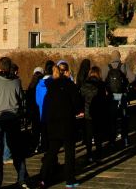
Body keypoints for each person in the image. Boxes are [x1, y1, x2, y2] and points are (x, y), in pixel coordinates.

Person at [0, 56, 30, 189]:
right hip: (13, 119)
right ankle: (22, 179)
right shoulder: (16, 82)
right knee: (17, 151)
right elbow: (21, 100)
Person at [38, 61, 83, 189]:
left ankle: (42, 178)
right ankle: (69, 180)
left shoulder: (50, 86)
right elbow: (77, 104)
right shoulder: (69, 85)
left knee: (52, 152)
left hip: (53, 123)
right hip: (67, 122)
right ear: (67, 71)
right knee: (69, 153)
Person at [101, 50, 134, 147]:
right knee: (124, 118)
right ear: (119, 57)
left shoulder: (106, 67)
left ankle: (112, 141)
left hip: (111, 96)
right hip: (122, 95)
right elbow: (132, 78)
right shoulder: (124, 66)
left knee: (112, 118)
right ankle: (125, 139)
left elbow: (102, 81)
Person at [79, 66, 109, 164]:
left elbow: (81, 99)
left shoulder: (84, 84)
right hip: (99, 113)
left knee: (88, 136)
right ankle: (99, 155)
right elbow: (104, 99)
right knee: (98, 135)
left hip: (88, 113)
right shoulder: (101, 84)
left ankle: (89, 155)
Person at [26, 68, 44, 152]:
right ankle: (42, 145)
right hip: (41, 110)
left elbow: (28, 99)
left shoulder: (31, 86)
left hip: (33, 110)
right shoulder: (42, 85)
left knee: (35, 130)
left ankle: (34, 146)